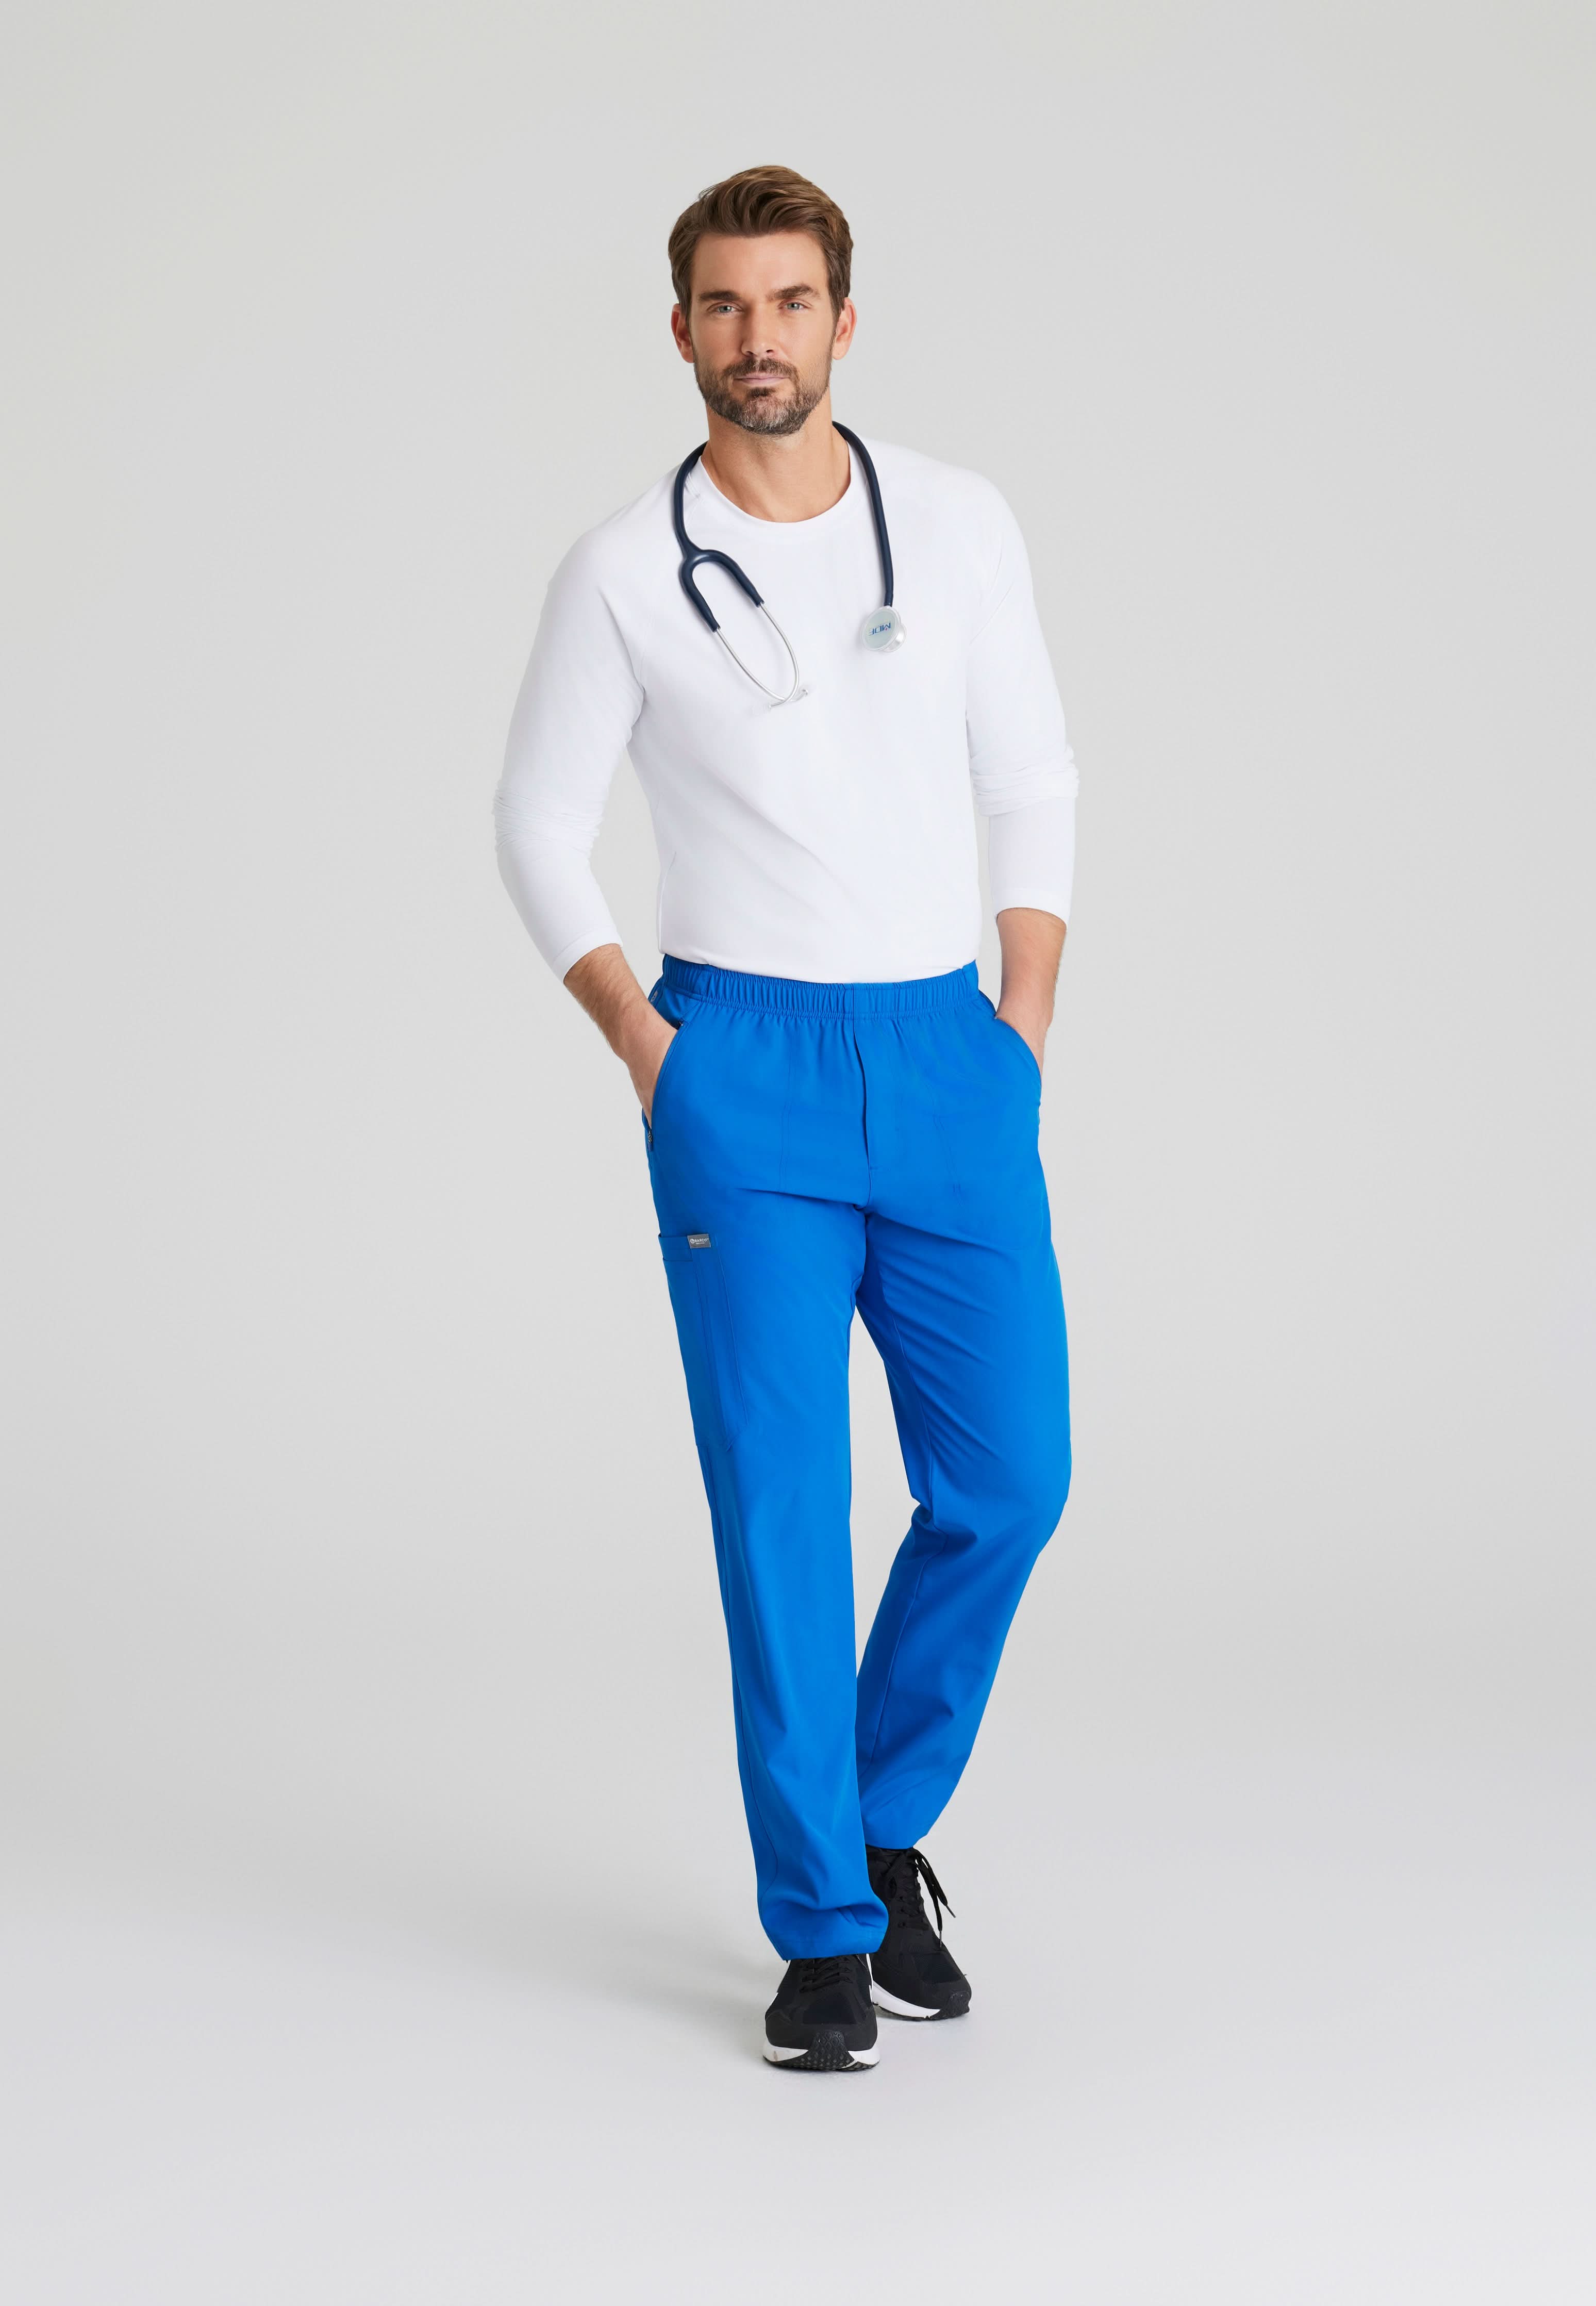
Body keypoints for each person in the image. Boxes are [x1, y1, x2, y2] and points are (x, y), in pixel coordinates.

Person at [494, 164, 1076, 2073]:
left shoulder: (959, 525)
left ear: (846, 317)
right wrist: (651, 1049)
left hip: (947, 1053)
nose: (762, 338)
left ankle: (883, 1824)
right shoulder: (621, 571)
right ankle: (823, 1926)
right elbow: (536, 828)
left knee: (1011, 1479)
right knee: (781, 1511)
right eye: (728, 306)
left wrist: (1020, 1027)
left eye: (794, 300)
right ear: (681, 330)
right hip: (737, 1059)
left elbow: (1034, 778)